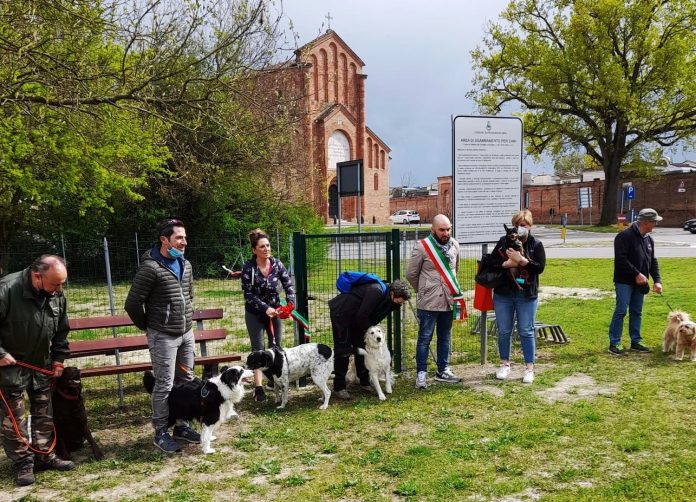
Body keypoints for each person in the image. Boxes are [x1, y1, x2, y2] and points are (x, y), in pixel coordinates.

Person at [124, 218, 199, 453]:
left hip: (186, 333)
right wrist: (149, 326)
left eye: (185, 237)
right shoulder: (150, 268)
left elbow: (189, 295)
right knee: (164, 384)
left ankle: (182, 426)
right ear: (164, 240)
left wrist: (186, 320)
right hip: (163, 336)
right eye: (179, 238)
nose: (184, 242)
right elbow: (133, 303)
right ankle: (161, 431)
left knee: (186, 380)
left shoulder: (185, 264)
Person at [0, 255, 74, 486]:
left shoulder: (56, 293)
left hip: (40, 364)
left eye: (61, 284)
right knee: (14, 417)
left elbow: (61, 331)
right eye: (55, 284)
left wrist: (59, 359)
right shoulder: (7, 290)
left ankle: (44, 455)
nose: (59, 289)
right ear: (36, 277)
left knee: (44, 410)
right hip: (10, 366)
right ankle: (23, 462)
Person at [329, 279, 411, 399]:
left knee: (361, 348)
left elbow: (369, 317)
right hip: (342, 314)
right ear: (393, 293)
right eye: (402, 299)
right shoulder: (376, 291)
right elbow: (362, 316)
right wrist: (373, 332)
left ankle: (364, 381)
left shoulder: (390, 301)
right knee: (344, 349)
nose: (402, 303)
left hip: (357, 320)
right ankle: (339, 387)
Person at [406, 214, 462, 389]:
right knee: (424, 338)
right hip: (428, 302)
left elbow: (455, 270)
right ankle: (421, 374)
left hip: (448, 300)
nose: (446, 233)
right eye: (442, 230)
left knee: (445, 337)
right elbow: (411, 274)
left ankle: (443, 370)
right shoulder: (422, 247)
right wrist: (423, 290)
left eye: (448, 229)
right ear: (433, 229)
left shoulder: (455, 245)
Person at [490, 210, 546, 384]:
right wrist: (506, 263)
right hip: (503, 293)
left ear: (529, 226)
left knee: (526, 330)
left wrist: (522, 260)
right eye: (516, 225)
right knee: (504, 330)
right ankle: (504, 364)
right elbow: (492, 262)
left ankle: (529, 368)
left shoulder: (536, 244)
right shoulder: (503, 241)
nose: (519, 229)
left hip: (526, 294)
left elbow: (539, 268)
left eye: (523, 226)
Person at [240, 229, 295, 403]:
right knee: (258, 349)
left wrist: (290, 303)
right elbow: (248, 294)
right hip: (255, 313)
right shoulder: (248, 268)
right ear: (254, 250)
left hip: (275, 312)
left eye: (268, 246)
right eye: (262, 246)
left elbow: (288, 285)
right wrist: (265, 308)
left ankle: (275, 382)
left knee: (276, 347)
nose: (266, 249)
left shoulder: (277, 264)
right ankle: (258, 388)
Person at [608, 208, 663, 355]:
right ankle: (614, 343)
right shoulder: (624, 236)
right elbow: (621, 260)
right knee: (621, 310)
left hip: (641, 283)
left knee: (636, 312)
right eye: (654, 222)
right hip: (624, 281)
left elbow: (653, 261)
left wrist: (657, 280)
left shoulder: (648, 239)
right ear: (646, 222)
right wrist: (636, 273)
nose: (655, 225)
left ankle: (636, 341)